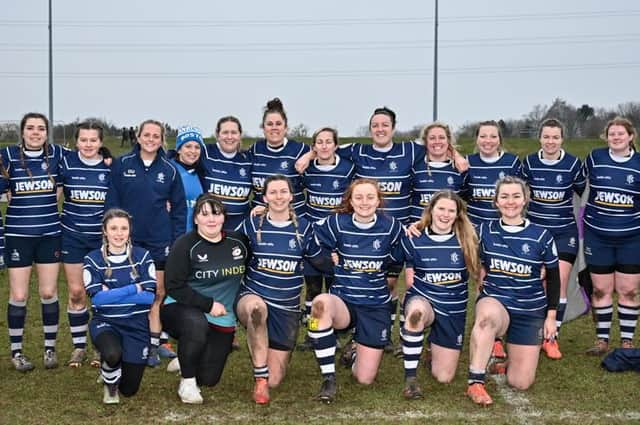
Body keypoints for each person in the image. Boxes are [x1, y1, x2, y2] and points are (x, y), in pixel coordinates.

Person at [307, 178, 404, 403]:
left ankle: (353, 352)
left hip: (375, 305)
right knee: (320, 304)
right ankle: (328, 379)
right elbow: (309, 238)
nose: (364, 202)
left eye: (370, 197)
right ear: (350, 200)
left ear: (379, 200)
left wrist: (417, 229)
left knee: (364, 379)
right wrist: (326, 260)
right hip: (343, 302)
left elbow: (403, 251)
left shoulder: (391, 226)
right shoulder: (336, 223)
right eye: (358, 197)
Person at [466, 176, 560, 406]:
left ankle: (510, 361)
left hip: (530, 309)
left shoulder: (541, 235)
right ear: (496, 201)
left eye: (516, 196)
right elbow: (450, 236)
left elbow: (555, 277)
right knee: (487, 319)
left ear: (525, 199)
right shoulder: (484, 231)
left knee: (521, 382)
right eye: (504, 196)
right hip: (496, 300)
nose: (510, 201)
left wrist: (551, 316)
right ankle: (475, 382)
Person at [105, 119, 186, 366]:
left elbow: (179, 209)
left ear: (162, 140)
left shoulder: (170, 170)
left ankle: (153, 344)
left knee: (156, 293)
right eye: (146, 135)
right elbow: (112, 204)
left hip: (159, 240)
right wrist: (114, 236)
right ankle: (131, 342)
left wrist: (176, 241)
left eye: (156, 136)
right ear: (138, 137)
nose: (151, 139)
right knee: (129, 292)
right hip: (128, 241)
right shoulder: (122, 165)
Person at [236, 175, 318, 404]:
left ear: (291, 196)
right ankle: (259, 379)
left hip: (287, 307)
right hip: (253, 296)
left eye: (283, 191)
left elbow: (319, 261)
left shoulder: (304, 228)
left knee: (276, 379)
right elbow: (233, 252)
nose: (278, 196)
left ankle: (269, 374)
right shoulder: (251, 224)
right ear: (264, 197)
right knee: (256, 309)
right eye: (273, 192)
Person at [162, 194, 249, 404]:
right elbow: (173, 286)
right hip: (181, 307)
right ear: (195, 219)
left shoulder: (239, 242)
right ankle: (187, 383)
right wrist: (208, 305)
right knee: (195, 323)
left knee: (209, 379)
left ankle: (186, 360)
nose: (211, 219)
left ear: (224, 218)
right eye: (205, 214)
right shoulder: (185, 244)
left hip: (222, 316)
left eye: (216, 214)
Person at [398, 190, 480, 399]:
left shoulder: (469, 239)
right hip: (423, 299)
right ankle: (411, 379)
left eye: (451, 210)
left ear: (458, 214)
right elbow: (409, 280)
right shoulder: (414, 237)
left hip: (453, 308)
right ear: (431, 210)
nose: (445, 214)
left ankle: (430, 345)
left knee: (443, 377)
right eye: (441, 208)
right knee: (416, 313)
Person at [2, 112, 65, 371]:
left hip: (50, 234)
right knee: (18, 294)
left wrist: (106, 156)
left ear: (46, 132)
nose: (36, 133)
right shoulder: (7, 156)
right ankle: (16, 352)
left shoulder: (59, 155)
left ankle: (50, 349)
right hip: (18, 235)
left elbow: (89, 158)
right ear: (23, 131)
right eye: (31, 128)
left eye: (41, 128)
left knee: (49, 292)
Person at [521, 118, 586, 359]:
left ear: (562, 139)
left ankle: (551, 338)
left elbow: (584, 193)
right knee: (537, 283)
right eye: (546, 137)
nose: (550, 141)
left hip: (563, 232)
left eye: (555, 137)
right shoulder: (528, 163)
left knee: (558, 280)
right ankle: (531, 332)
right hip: (536, 234)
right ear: (540, 138)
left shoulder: (572, 164)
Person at [84, 208, 156, 404]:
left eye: (124, 228)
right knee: (112, 354)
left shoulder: (142, 256)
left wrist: (111, 294)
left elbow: (149, 298)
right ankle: (109, 383)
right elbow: (97, 300)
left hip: (136, 325)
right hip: (106, 322)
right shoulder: (93, 259)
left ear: (130, 230)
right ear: (105, 231)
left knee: (130, 390)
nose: (119, 233)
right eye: (113, 228)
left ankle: (115, 366)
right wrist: (134, 288)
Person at [464, 120, 523, 361]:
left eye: (493, 136)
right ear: (476, 139)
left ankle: (498, 334)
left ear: (500, 139)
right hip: (476, 233)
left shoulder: (512, 163)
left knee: (500, 278)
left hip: (504, 232)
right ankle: (490, 330)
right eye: (483, 136)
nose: (487, 141)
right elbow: (462, 194)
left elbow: (519, 196)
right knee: (480, 279)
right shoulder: (468, 163)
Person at [582, 117, 640, 355]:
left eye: (620, 134)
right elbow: (576, 183)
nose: (616, 137)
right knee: (600, 289)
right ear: (606, 137)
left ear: (630, 136)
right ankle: (602, 340)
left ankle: (627, 340)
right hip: (598, 235)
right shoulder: (595, 158)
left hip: (631, 237)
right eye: (612, 134)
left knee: (629, 290)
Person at [297, 127, 355, 350]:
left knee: (334, 289)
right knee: (312, 290)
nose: (323, 146)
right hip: (314, 238)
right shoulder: (308, 169)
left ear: (335, 145)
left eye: (328, 142)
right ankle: (313, 332)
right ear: (313, 147)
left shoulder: (348, 168)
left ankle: (334, 332)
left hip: (337, 238)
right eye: (319, 142)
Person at [59, 121, 111, 367]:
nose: (88, 144)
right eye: (84, 140)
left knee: (101, 294)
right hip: (73, 236)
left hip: (103, 240)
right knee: (77, 292)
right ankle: (79, 346)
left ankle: (101, 346)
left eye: (93, 140)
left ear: (101, 143)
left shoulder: (111, 167)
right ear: (76, 142)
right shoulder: (66, 163)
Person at [248, 98, 310, 218]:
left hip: (293, 218)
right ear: (263, 128)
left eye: (278, 124)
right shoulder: (255, 149)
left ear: (286, 128)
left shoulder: (300, 150)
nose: (274, 127)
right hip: (260, 217)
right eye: (269, 124)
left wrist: (311, 155)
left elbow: (327, 150)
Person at [200, 116, 253, 231]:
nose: (229, 137)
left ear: (240, 135)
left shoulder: (248, 159)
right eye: (225, 132)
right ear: (217, 135)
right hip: (210, 227)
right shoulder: (205, 152)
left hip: (239, 229)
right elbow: (178, 157)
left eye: (234, 132)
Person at [171, 126, 205, 232]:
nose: (193, 151)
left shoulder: (201, 172)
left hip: (194, 237)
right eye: (188, 146)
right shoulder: (169, 170)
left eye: (197, 147)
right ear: (179, 149)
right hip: (171, 236)